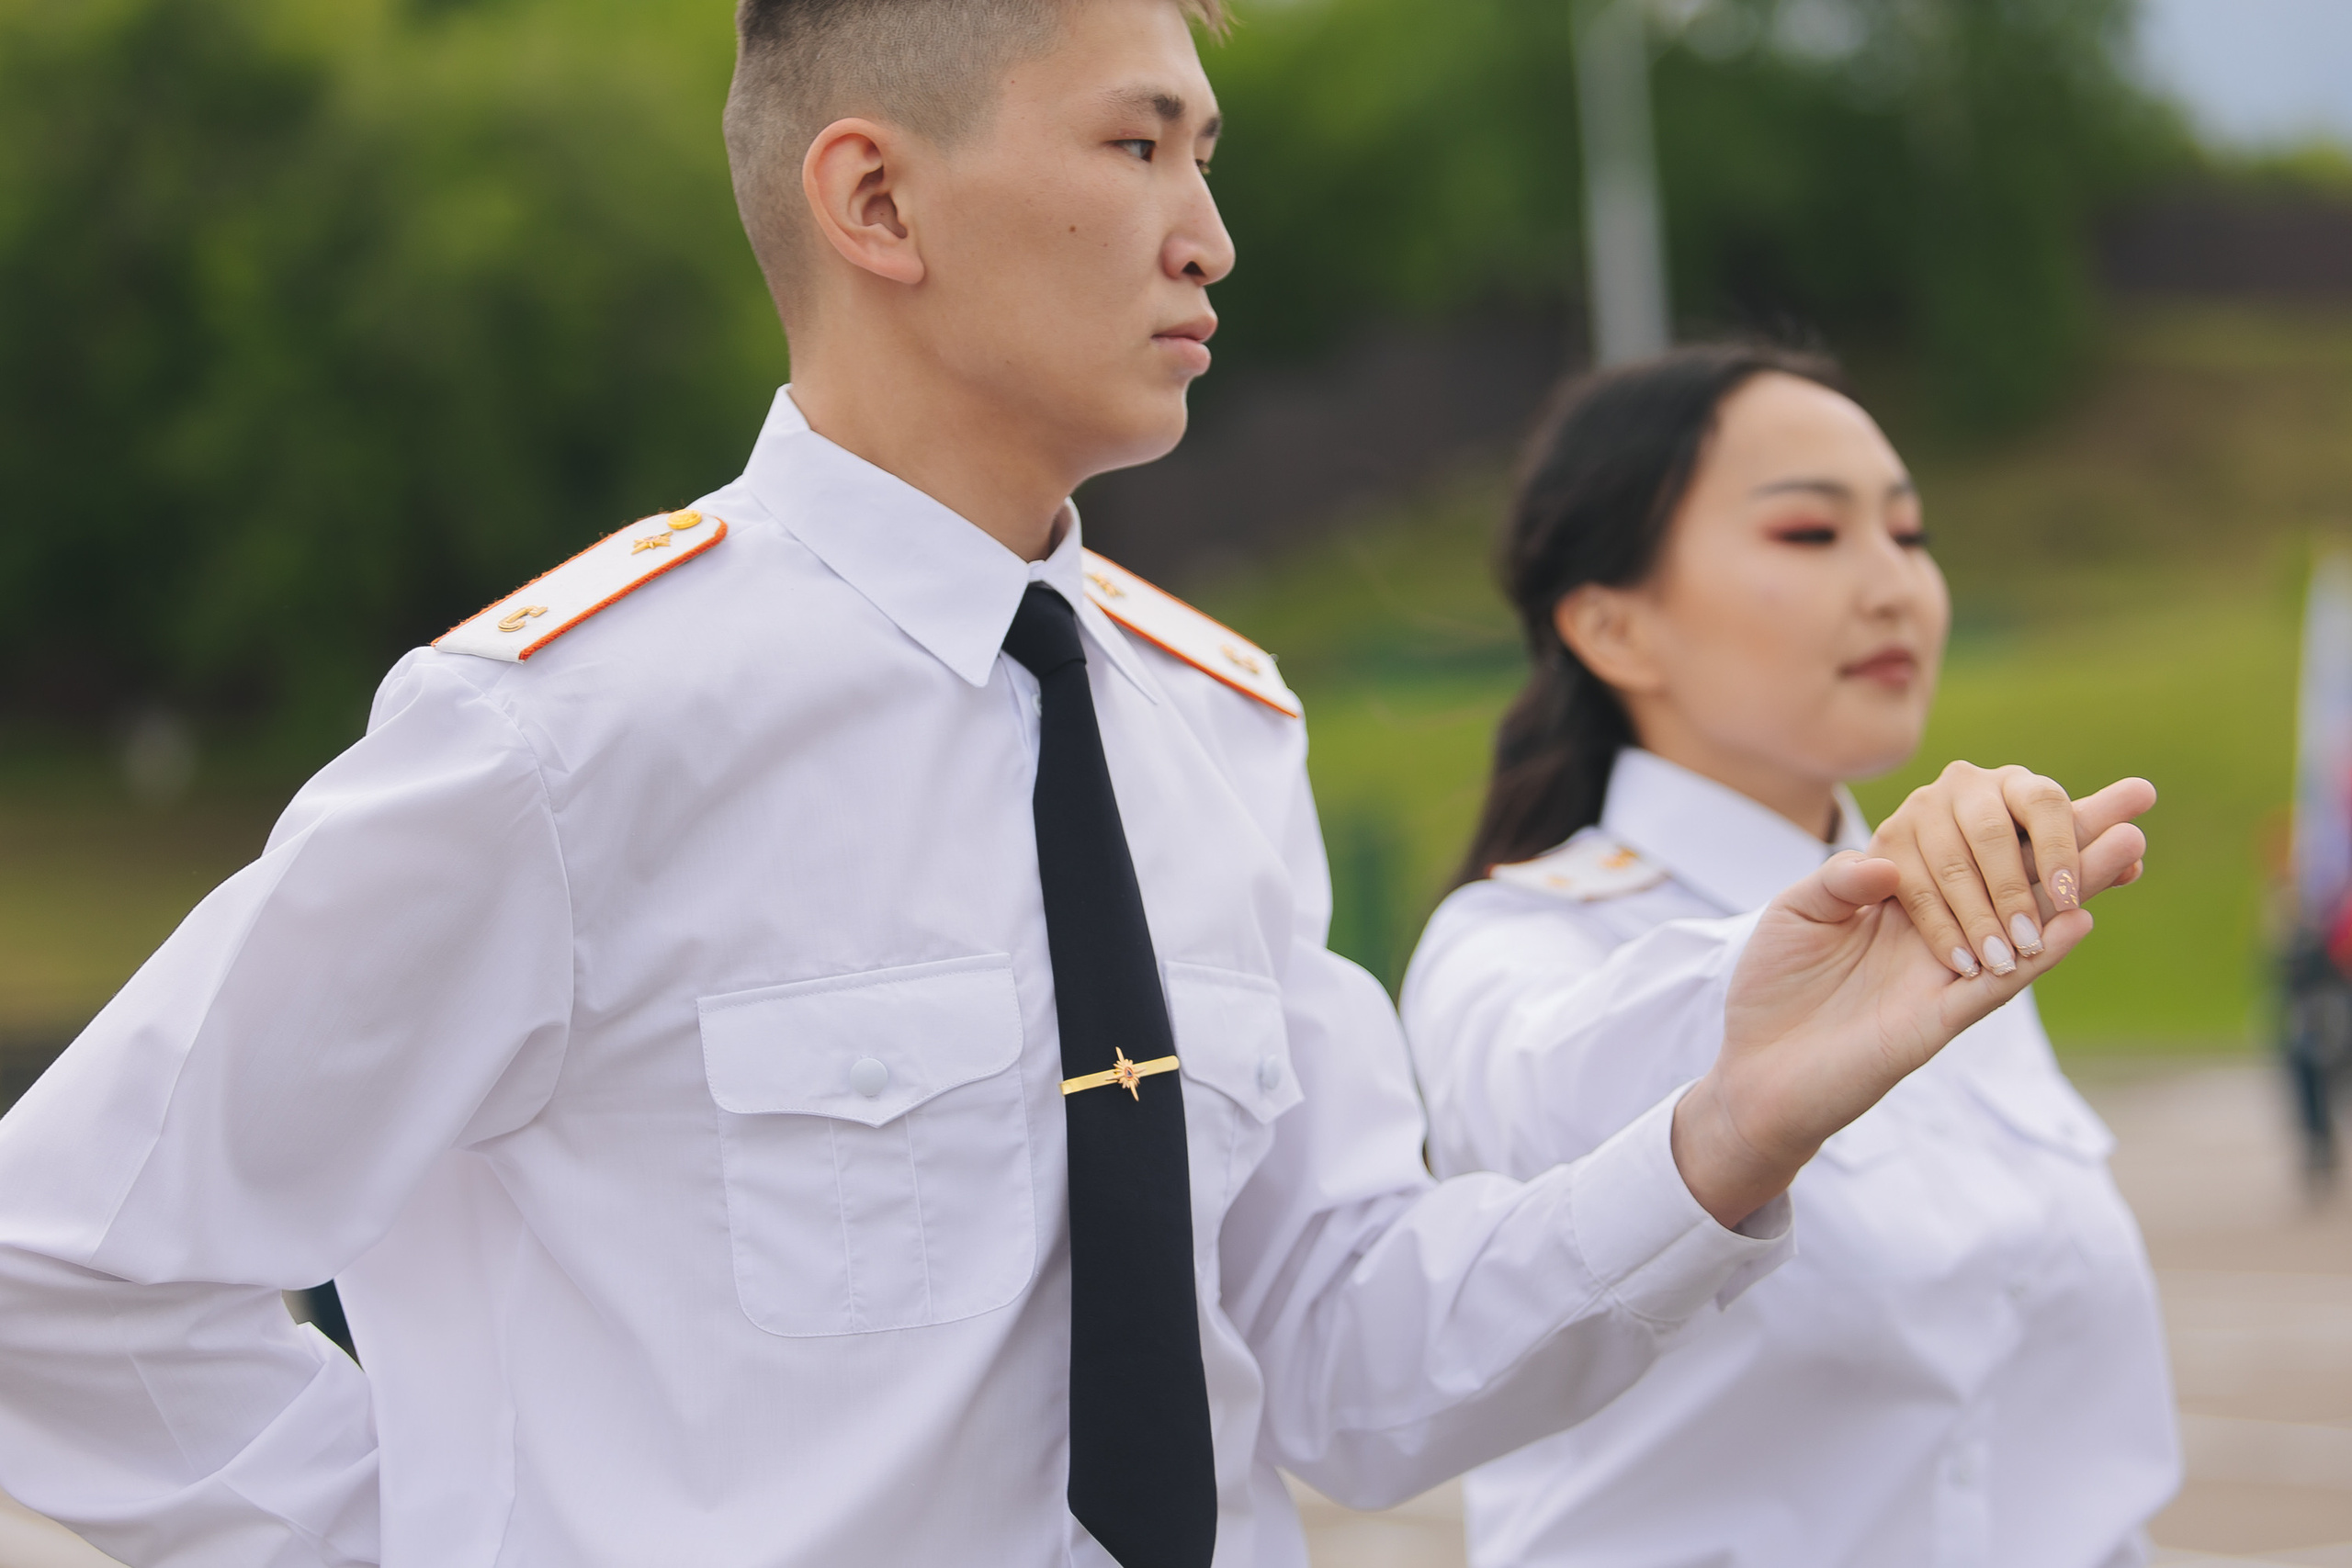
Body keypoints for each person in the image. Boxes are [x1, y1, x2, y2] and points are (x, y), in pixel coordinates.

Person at [0, 7, 2146, 1567]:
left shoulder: (1213, 728)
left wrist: (1726, 1131)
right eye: (1137, 148)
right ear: (875, 198)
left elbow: (1346, 1353)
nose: (1208, 234)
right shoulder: (566, 730)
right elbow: (60, 1265)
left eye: (1205, 154)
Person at [1402, 344, 2178, 1568]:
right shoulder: (1517, 946)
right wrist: (1794, 977)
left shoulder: (1948, 923)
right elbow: (1553, 1106)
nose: (1894, 585)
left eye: (1911, 534)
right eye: (1811, 533)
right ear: (1613, 625)